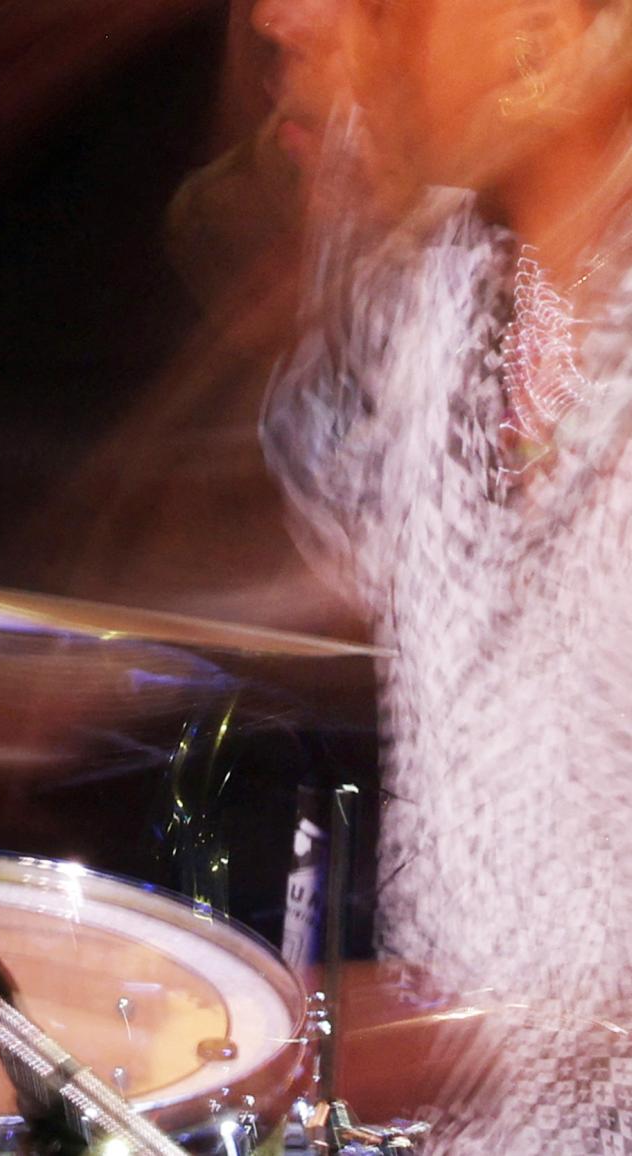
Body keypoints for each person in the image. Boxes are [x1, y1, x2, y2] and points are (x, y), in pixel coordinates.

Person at [256, 0, 632, 1149]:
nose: (291, 17)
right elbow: (305, 565)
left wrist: (448, 1033)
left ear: (554, 27)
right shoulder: (445, 298)